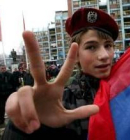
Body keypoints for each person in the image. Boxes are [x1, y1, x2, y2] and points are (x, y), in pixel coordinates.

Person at [1, 7, 119, 140]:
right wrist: (25, 124)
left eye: (108, 45)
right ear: (76, 54)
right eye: (91, 47)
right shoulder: (59, 101)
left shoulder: (128, 90)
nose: (104, 55)